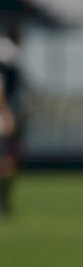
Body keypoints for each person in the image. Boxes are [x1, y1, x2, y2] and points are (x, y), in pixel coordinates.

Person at [0, 25, 26, 216]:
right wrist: (7, 112)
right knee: (7, 161)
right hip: (3, 115)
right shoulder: (9, 55)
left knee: (8, 160)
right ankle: (4, 202)